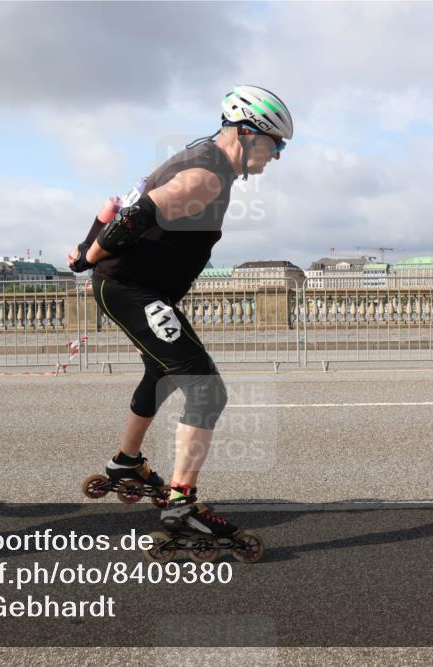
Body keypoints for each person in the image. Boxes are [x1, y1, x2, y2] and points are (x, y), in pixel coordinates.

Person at [69, 85, 293, 540]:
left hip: (138, 288)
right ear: (246, 133)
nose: (276, 156)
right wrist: (86, 258)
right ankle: (181, 505)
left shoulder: (200, 159)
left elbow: (117, 205)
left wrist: (87, 242)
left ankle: (126, 462)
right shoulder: (206, 176)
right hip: (132, 289)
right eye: (275, 144)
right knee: (207, 391)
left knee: (163, 372)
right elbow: (133, 217)